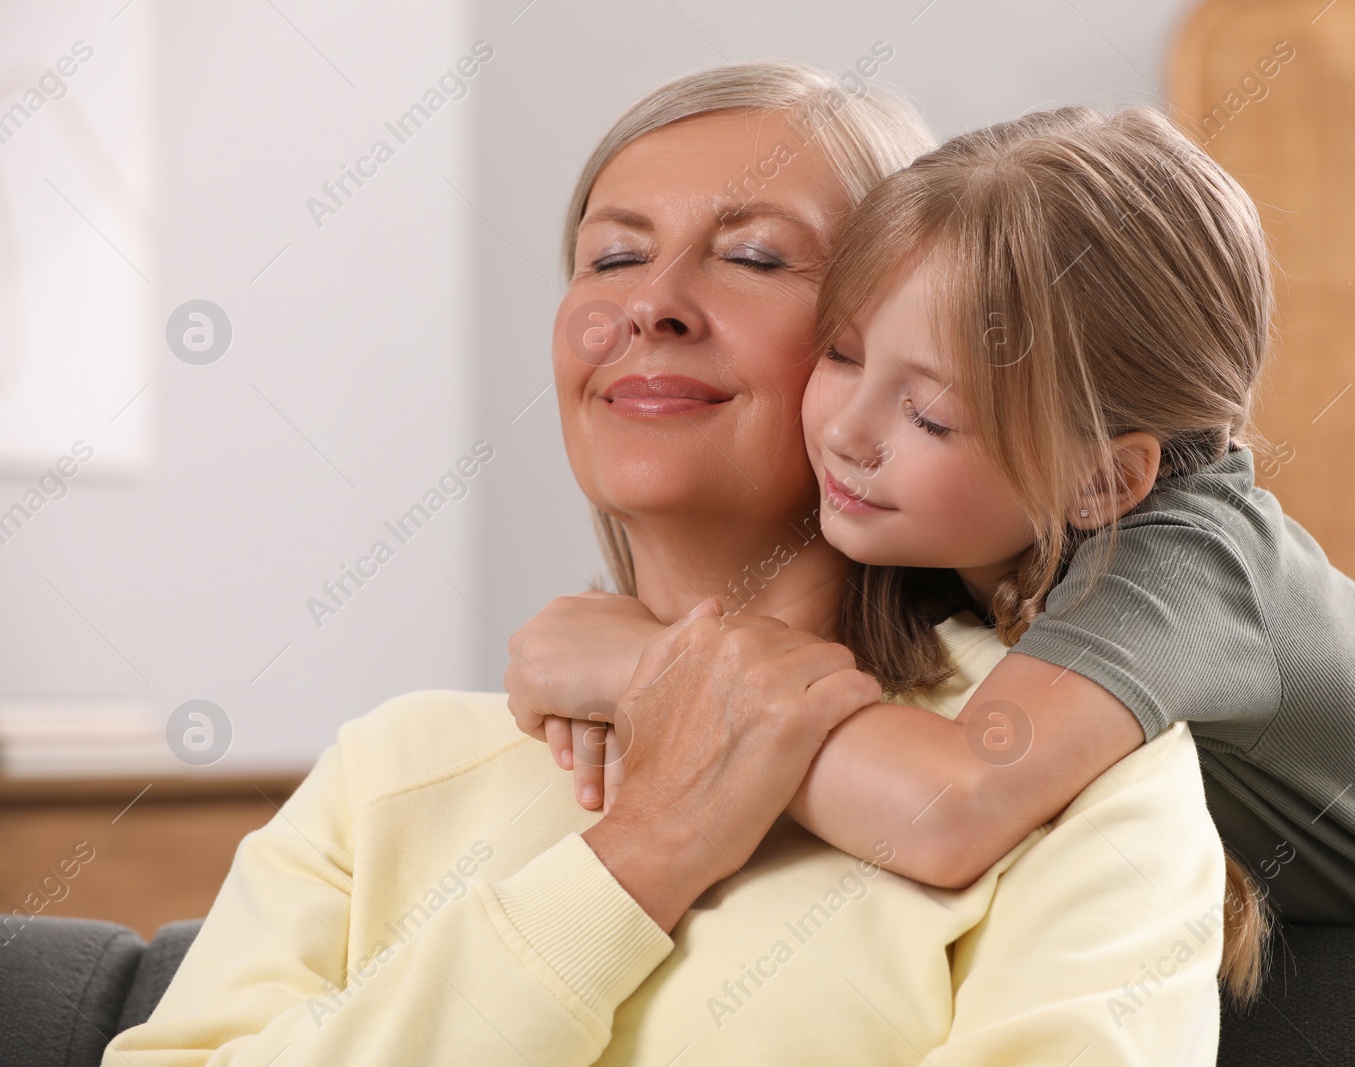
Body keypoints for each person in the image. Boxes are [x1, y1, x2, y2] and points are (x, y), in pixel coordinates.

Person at [107, 64, 1235, 1066]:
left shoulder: (1073, 773)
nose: (646, 302)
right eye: (612, 254)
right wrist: (640, 851)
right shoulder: (389, 773)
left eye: (753, 255)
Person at [521, 103, 1355, 932]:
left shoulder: (1179, 564)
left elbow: (944, 811)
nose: (848, 429)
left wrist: (650, 663)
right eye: (843, 355)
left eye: (931, 413)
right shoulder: (980, 530)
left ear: (1102, 480)